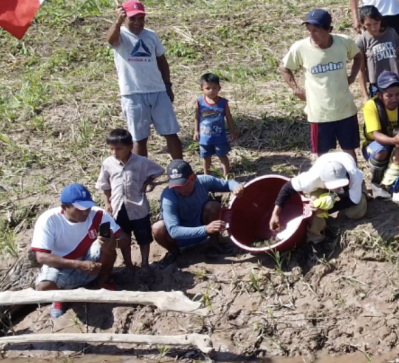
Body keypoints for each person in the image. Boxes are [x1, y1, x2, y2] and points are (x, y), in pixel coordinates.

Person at [280, 9, 364, 162]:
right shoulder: (300, 48)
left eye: (316, 31)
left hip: (345, 109)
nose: (312, 34)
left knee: (349, 152)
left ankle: (355, 183)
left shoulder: (343, 42)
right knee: (320, 155)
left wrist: (352, 76)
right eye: (309, 30)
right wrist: (296, 89)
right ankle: (322, 184)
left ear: (329, 30)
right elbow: (284, 67)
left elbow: (358, 56)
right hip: (320, 113)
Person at [31, 184, 127, 318]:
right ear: (64, 207)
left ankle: (101, 283)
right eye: (80, 209)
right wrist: (78, 265)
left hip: (90, 257)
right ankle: (62, 298)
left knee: (106, 246)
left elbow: (125, 239)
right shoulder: (48, 220)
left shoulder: (98, 214)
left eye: (87, 207)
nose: (85, 212)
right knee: (44, 287)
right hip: (62, 264)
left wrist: (114, 243)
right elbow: (41, 257)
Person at [105, 0, 183, 160]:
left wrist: (167, 85)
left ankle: (181, 171)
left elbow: (162, 61)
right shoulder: (120, 35)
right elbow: (110, 40)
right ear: (124, 17)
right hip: (133, 95)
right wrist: (117, 22)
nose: (137, 22)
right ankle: (143, 177)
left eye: (141, 18)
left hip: (158, 91)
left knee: (171, 133)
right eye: (132, 18)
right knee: (139, 138)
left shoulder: (151, 35)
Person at [95, 128, 164, 269]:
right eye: (111, 149)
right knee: (123, 237)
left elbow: (159, 170)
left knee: (143, 236)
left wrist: (147, 183)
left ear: (130, 147)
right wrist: (107, 202)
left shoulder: (141, 162)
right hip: (118, 207)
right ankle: (128, 263)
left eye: (119, 149)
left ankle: (145, 263)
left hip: (138, 206)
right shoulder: (108, 163)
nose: (114, 153)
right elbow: (105, 185)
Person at [153, 160, 244, 263]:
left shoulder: (203, 181)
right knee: (157, 228)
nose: (181, 190)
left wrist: (236, 187)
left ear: (193, 178)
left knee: (213, 206)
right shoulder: (168, 197)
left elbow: (228, 184)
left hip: (201, 227)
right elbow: (174, 231)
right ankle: (174, 252)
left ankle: (214, 244)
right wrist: (206, 229)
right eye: (177, 187)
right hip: (180, 238)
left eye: (184, 185)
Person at [271, 152, 369, 243]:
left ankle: (363, 190)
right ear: (323, 181)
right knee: (315, 206)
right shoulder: (311, 178)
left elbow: (353, 200)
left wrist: (327, 210)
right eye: (333, 186)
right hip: (322, 172)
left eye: (340, 184)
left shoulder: (353, 174)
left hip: (347, 168)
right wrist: (275, 214)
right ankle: (316, 239)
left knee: (357, 211)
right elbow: (287, 188)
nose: (337, 187)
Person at [356, 6, 399, 104]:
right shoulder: (361, 41)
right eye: (368, 25)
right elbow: (361, 70)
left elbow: (398, 55)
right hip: (377, 86)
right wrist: (365, 95)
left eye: (376, 23)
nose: (373, 28)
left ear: (380, 20)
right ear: (362, 24)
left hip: (396, 83)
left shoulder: (391, 33)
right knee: (380, 116)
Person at [194, 73, 238, 177]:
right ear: (202, 89)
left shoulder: (223, 102)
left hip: (219, 137)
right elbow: (196, 117)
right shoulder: (199, 101)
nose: (211, 91)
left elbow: (229, 117)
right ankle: (206, 176)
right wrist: (196, 131)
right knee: (206, 157)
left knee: (222, 155)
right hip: (205, 137)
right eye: (208, 88)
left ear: (219, 88)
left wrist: (233, 131)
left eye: (214, 88)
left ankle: (226, 175)